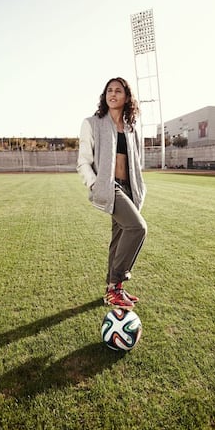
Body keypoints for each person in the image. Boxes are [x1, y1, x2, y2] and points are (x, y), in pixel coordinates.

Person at [77, 77, 147, 310]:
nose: (113, 94)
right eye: (109, 90)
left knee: (118, 239)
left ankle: (111, 291)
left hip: (130, 189)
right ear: (104, 96)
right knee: (138, 228)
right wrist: (95, 185)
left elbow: (136, 163)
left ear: (127, 97)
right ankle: (118, 283)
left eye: (118, 91)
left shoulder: (130, 129)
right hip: (109, 186)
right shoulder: (92, 123)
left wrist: (140, 189)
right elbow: (83, 162)